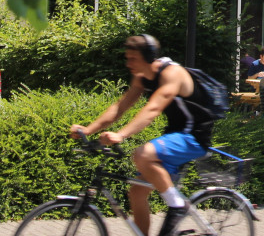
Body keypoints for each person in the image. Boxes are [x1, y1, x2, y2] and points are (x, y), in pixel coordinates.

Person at [70, 35, 212, 236]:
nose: (128, 64)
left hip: (194, 137)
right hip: (174, 136)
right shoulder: (142, 77)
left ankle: (177, 205)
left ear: (148, 57)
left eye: (133, 59)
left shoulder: (172, 74)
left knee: (142, 154)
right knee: (136, 192)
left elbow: (153, 109)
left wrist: (121, 134)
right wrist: (88, 130)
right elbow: (120, 107)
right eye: (127, 58)